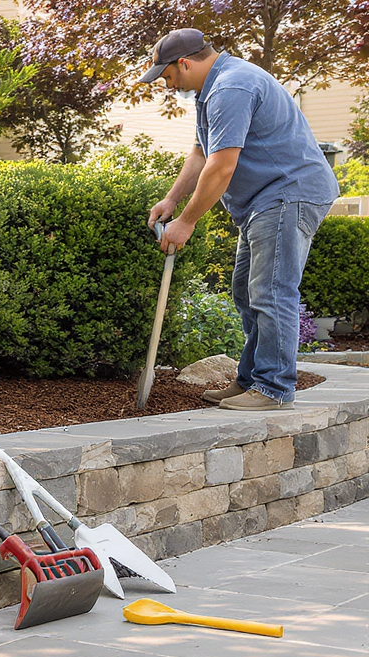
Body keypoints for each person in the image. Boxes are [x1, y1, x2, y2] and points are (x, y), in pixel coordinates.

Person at [141, 28, 339, 411]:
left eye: (168, 77)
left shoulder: (233, 87)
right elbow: (201, 152)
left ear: (184, 63)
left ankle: (273, 388)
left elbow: (221, 166)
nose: (168, 86)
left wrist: (186, 221)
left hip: (288, 193)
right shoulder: (212, 91)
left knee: (271, 291)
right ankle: (251, 380)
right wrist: (171, 198)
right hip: (265, 200)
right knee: (247, 293)